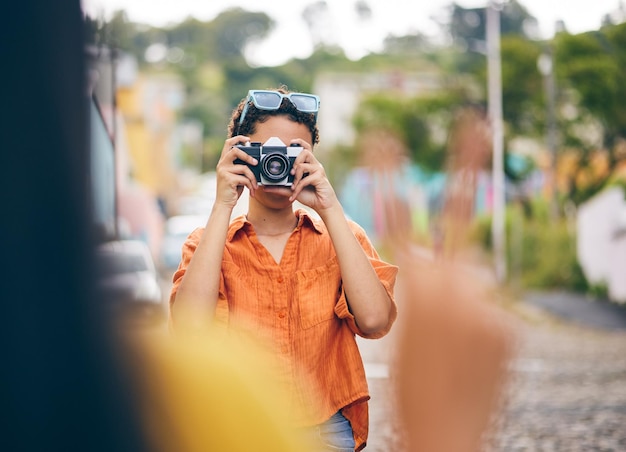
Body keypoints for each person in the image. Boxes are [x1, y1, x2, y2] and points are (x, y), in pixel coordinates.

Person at [169, 86, 398, 451]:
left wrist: (330, 208)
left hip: (325, 430)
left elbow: (374, 319)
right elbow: (190, 330)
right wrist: (223, 204)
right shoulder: (207, 244)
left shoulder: (342, 236)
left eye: (295, 152)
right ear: (239, 154)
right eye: (266, 150)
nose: (279, 162)